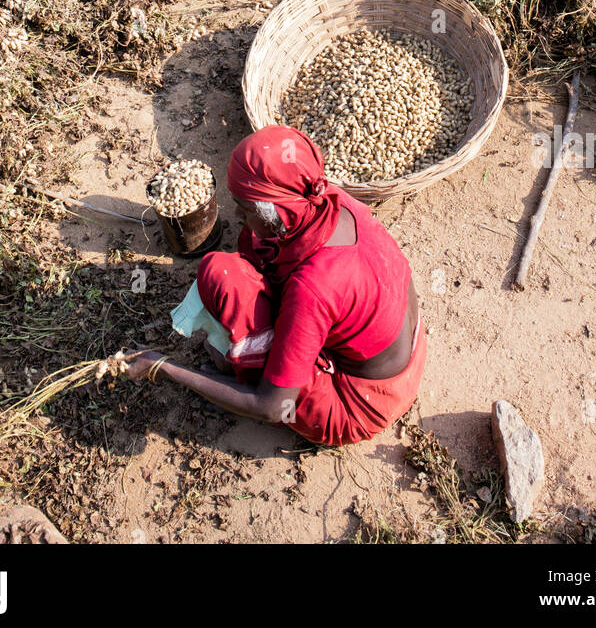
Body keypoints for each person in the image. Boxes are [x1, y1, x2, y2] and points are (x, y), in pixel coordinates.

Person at [124, 127, 426, 448]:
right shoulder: (332, 199)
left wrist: (165, 367)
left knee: (226, 279)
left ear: (278, 209)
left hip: (357, 404)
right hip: (406, 347)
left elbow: (270, 406)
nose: (237, 214)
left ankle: (246, 363)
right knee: (250, 246)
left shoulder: (314, 286)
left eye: (246, 207)